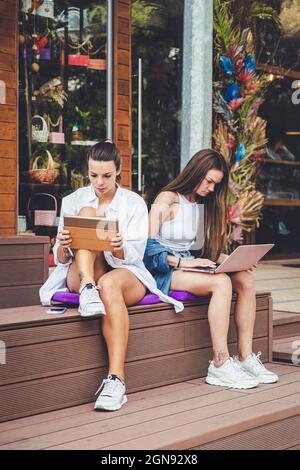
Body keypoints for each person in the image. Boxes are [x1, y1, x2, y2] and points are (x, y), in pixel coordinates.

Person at [39, 140, 184, 412]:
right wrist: (65, 244)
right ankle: (87, 287)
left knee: (108, 284)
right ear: (87, 171)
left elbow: (136, 254)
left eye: (107, 176)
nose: (99, 182)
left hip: (123, 273)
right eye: (93, 175)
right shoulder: (74, 200)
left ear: (119, 171)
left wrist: (118, 246)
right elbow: (60, 257)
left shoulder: (133, 203)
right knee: (87, 214)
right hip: (82, 274)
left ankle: (116, 380)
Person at [144, 148, 278, 389]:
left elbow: (197, 250)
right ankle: (219, 364)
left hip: (189, 264)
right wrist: (182, 262)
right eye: (209, 181)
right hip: (164, 268)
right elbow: (144, 244)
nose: (211, 189)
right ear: (196, 172)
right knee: (221, 282)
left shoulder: (200, 204)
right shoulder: (168, 198)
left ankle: (245, 358)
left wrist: (231, 258)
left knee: (245, 279)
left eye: (215, 184)